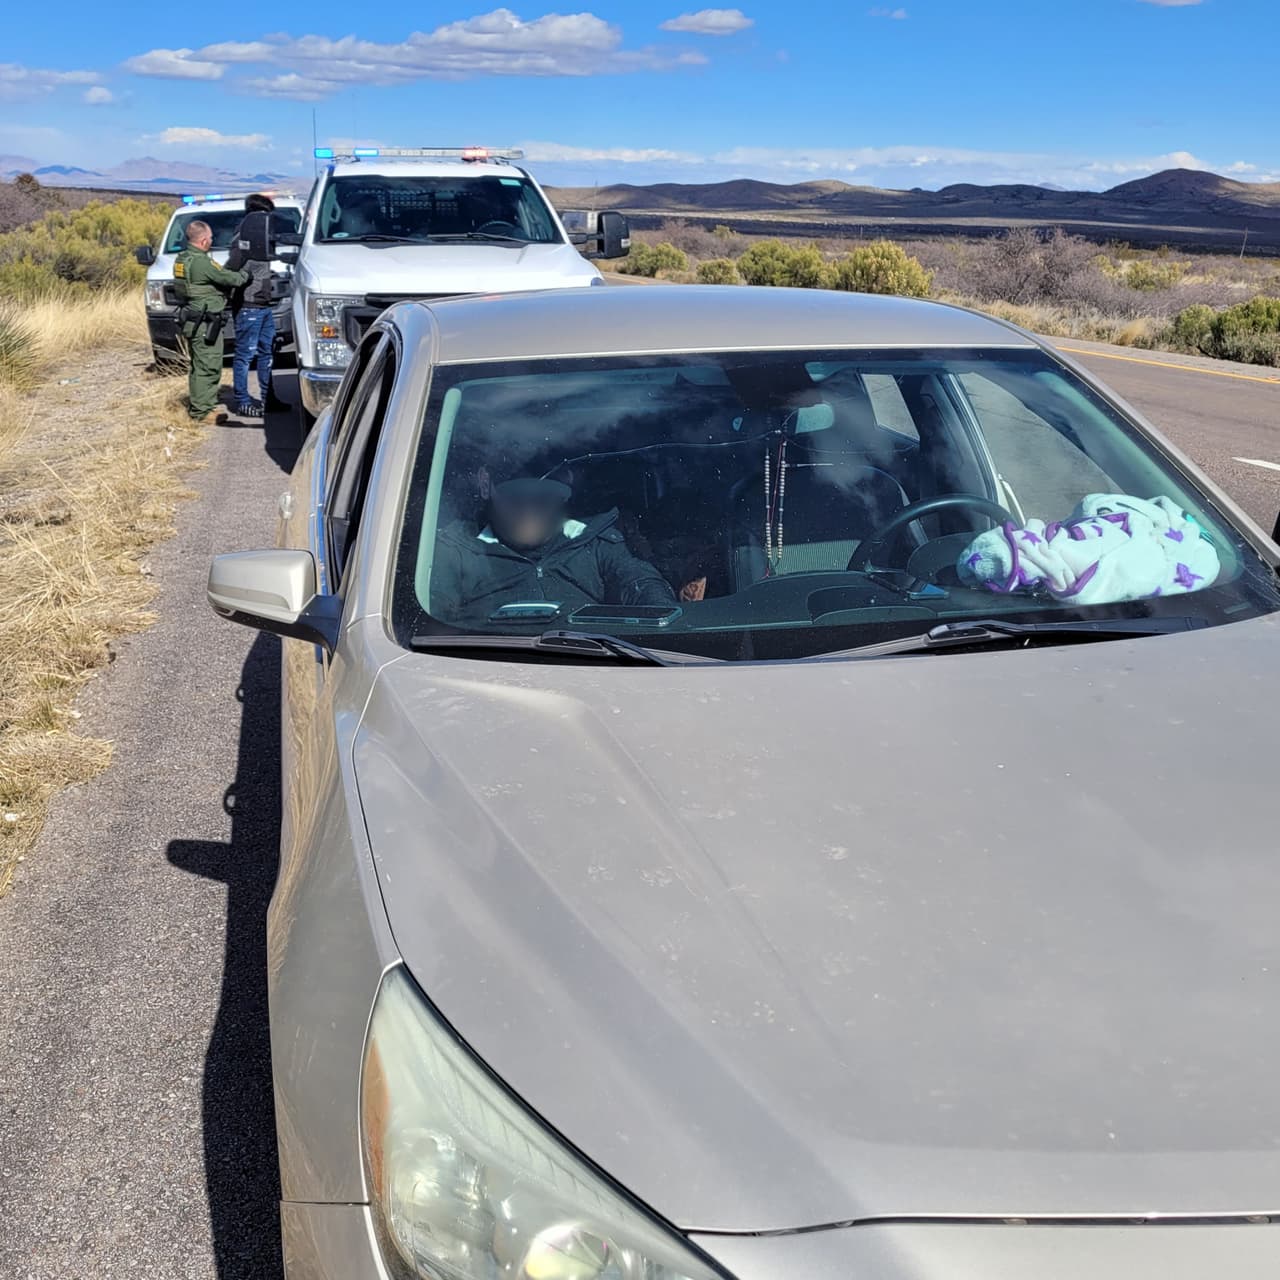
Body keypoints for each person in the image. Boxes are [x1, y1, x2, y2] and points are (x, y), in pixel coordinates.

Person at [431, 464, 677, 625]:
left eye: (544, 496)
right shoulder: (457, 550)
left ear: (566, 490)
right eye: (513, 495)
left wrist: (660, 616)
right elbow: (431, 622)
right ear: (486, 485)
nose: (528, 510)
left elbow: (640, 584)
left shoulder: (594, 540)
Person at [173, 220, 248, 424]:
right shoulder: (201, 262)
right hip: (205, 321)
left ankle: (200, 403)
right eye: (211, 238)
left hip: (193, 318)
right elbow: (229, 278)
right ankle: (202, 411)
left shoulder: (182, 259)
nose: (212, 241)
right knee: (209, 365)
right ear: (204, 240)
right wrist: (245, 275)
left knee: (198, 365)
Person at [226, 193, 286, 417]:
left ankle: (268, 398)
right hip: (249, 303)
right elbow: (233, 267)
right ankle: (242, 401)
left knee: (266, 352)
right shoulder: (243, 237)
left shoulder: (261, 236)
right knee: (244, 354)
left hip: (263, 302)